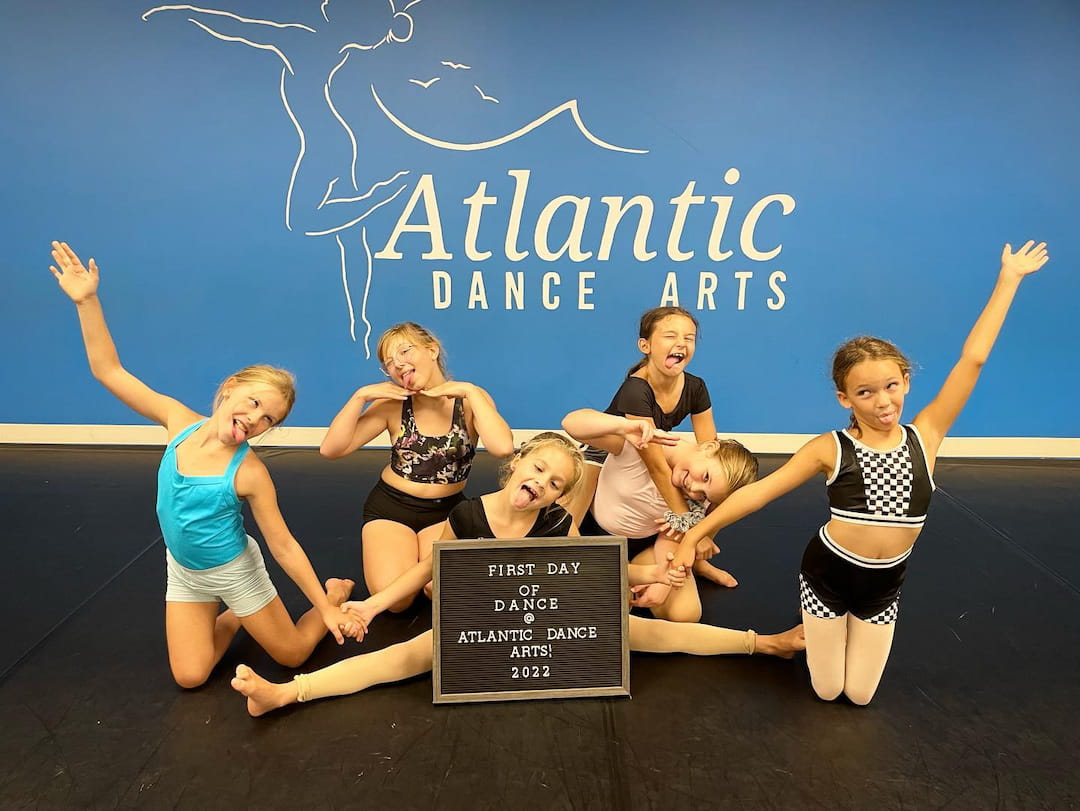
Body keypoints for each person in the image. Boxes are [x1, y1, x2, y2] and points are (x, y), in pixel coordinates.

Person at [669, 241, 1051, 705]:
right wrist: (694, 535)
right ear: (844, 399)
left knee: (861, 695)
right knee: (828, 690)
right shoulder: (831, 448)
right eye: (865, 392)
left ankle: (846, 628)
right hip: (827, 574)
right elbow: (759, 493)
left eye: (891, 386)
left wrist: (1009, 280)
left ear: (906, 381)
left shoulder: (926, 436)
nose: (883, 401)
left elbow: (973, 360)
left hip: (884, 585)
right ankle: (822, 620)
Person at [231, 432, 804, 716]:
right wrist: (374, 605)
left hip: (544, 618)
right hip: (483, 623)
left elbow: (595, 566)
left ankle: (763, 643)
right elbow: (426, 568)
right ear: (515, 464)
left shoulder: (553, 522)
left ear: (558, 497)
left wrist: (654, 574)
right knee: (404, 658)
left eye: (556, 484)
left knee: (646, 633)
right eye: (539, 470)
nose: (543, 485)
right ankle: (288, 694)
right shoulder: (467, 515)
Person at [48, 241, 360, 688]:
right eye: (254, 403)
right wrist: (87, 301)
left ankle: (332, 591)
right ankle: (235, 618)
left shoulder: (249, 472)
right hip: (185, 571)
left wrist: (327, 608)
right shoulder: (178, 421)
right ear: (231, 387)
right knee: (190, 677)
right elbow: (108, 370)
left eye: (268, 419)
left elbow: (284, 546)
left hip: (235, 573)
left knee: (292, 654)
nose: (254, 419)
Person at [320, 322, 514, 609]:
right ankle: (339, 588)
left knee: (441, 592)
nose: (398, 364)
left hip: (445, 511)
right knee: (396, 603)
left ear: (432, 350)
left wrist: (470, 391)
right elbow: (331, 450)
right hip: (391, 509)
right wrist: (360, 397)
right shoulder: (393, 404)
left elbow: (503, 448)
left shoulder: (470, 400)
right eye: (389, 363)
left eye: (404, 351)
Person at [564, 307, 737, 599]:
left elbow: (712, 447)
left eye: (689, 338)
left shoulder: (695, 387)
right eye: (670, 336)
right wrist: (688, 523)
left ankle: (696, 559)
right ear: (645, 346)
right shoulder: (636, 389)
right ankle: (572, 564)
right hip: (607, 449)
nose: (681, 343)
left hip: (650, 446)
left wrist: (702, 527)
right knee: (571, 519)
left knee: (721, 485)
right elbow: (655, 466)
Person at [562, 409, 757, 622]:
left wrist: (663, 581)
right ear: (708, 448)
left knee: (686, 614)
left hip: (645, 543)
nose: (694, 488)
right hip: (596, 531)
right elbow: (571, 423)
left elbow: (672, 535)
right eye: (705, 477)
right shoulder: (649, 443)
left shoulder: (700, 497)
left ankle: (683, 566)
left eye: (704, 494)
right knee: (605, 605)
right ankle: (627, 574)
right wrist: (623, 426)